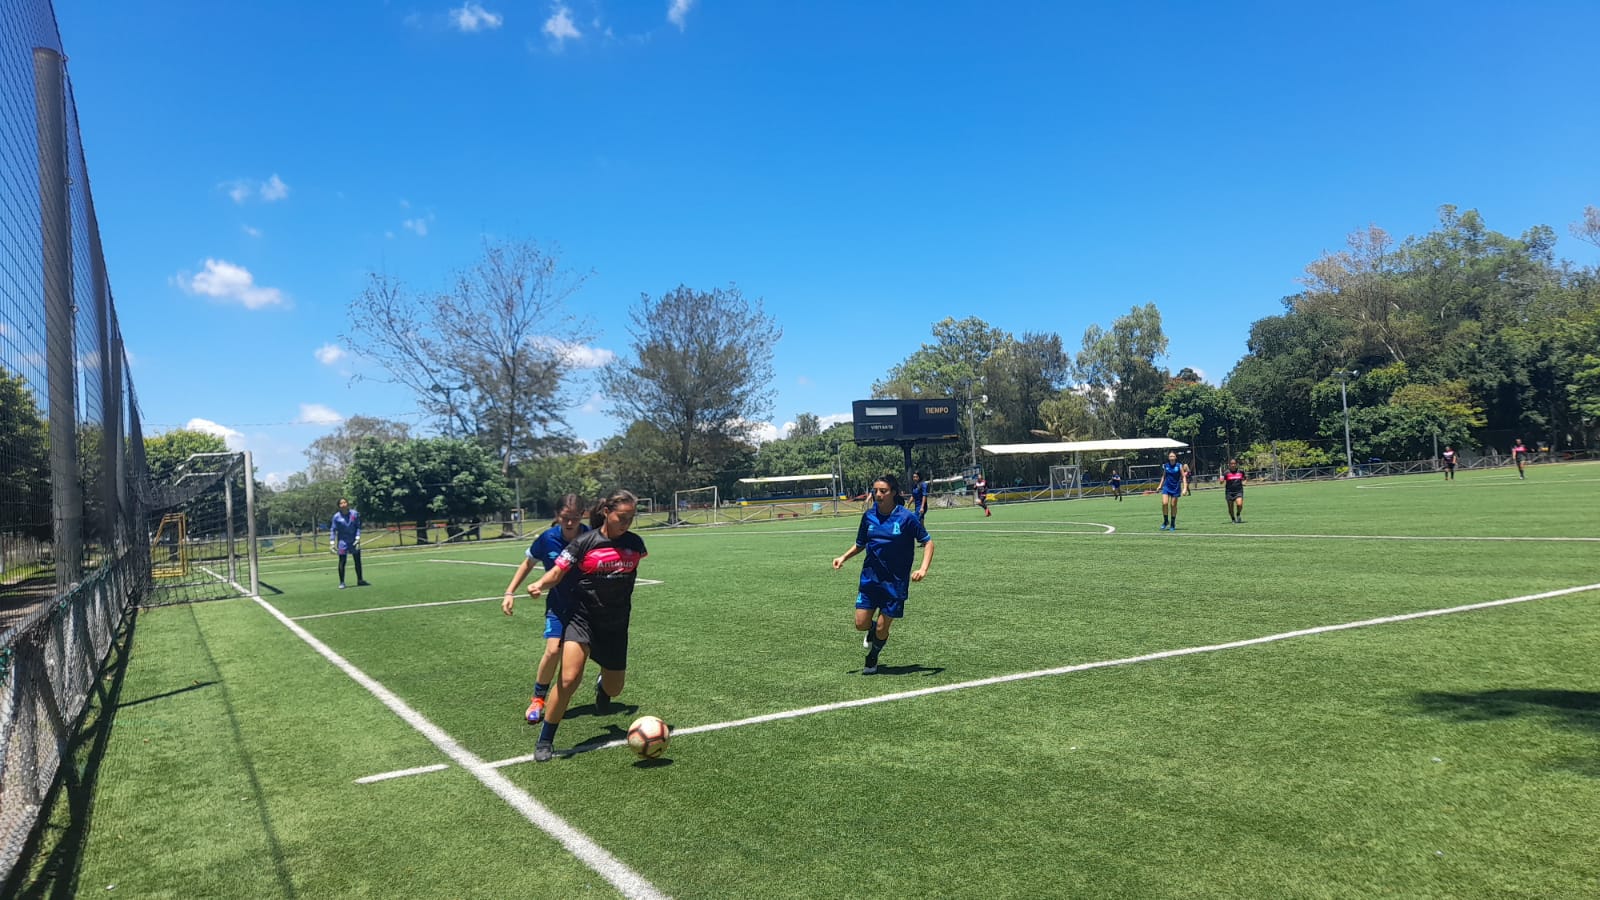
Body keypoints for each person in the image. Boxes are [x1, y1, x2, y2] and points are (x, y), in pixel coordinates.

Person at [504, 490, 647, 763]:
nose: (626, 522)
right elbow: (558, 571)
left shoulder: (636, 545)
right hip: (582, 620)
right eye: (622, 517)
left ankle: (603, 687)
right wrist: (539, 584)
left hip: (615, 625)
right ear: (607, 512)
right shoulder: (584, 542)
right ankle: (546, 738)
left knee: (616, 689)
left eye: (631, 517)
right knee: (568, 679)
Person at [832, 473, 934, 675]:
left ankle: (872, 657)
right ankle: (871, 632)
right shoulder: (868, 516)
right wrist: (843, 557)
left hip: (895, 583)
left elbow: (928, 542)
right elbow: (861, 544)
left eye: (883, 491)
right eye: (875, 490)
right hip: (870, 579)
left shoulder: (906, 518)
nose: (878, 494)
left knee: (881, 628)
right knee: (861, 624)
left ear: (893, 493)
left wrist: (923, 569)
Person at [502, 494, 587, 725]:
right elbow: (528, 564)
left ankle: (605, 683)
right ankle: (538, 699)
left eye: (574, 518)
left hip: (587, 608)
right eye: (564, 518)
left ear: (582, 515)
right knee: (552, 651)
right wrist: (510, 592)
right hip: (558, 606)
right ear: (557, 516)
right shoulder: (547, 538)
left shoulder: (590, 537)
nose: (569, 523)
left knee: (591, 654)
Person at [330, 498, 369, 588]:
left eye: (345, 502)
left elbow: (358, 526)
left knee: (357, 560)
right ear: (339, 506)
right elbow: (333, 530)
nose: (343, 504)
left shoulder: (354, 514)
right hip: (343, 542)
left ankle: (360, 580)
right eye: (341, 503)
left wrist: (358, 538)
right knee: (342, 561)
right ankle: (342, 582)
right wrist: (332, 542)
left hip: (353, 541)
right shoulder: (336, 517)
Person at [1158, 451, 1186, 531]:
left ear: (1175, 457)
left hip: (1175, 488)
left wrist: (1184, 488)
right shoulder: (1166, 466)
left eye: (1173, 456)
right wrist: (1160, 485)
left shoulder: (1179, 466)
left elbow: (1183, 477)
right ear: (1168, 458)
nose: (1172, 458)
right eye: (1170, 456)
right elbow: (1163, 476)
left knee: (1173, 505)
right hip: (1166, 487)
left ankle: (1173, 523)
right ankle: (1166, 521)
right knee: (1164, 503)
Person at [1222, 458, 1245, 523]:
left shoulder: (1240, 471)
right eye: (1231, 464)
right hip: (1229, 492)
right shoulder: (1226, 472)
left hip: (1238, 491)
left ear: (1236, 464)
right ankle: (1233, 519)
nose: (1233, 465)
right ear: (1229, 465)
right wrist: (1221, 481)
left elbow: (1245, 478)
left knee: (1239, 504)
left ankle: (1238, 514)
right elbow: (1222, 481)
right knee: (1230, 508)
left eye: (1234, 463)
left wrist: (1244, 482)